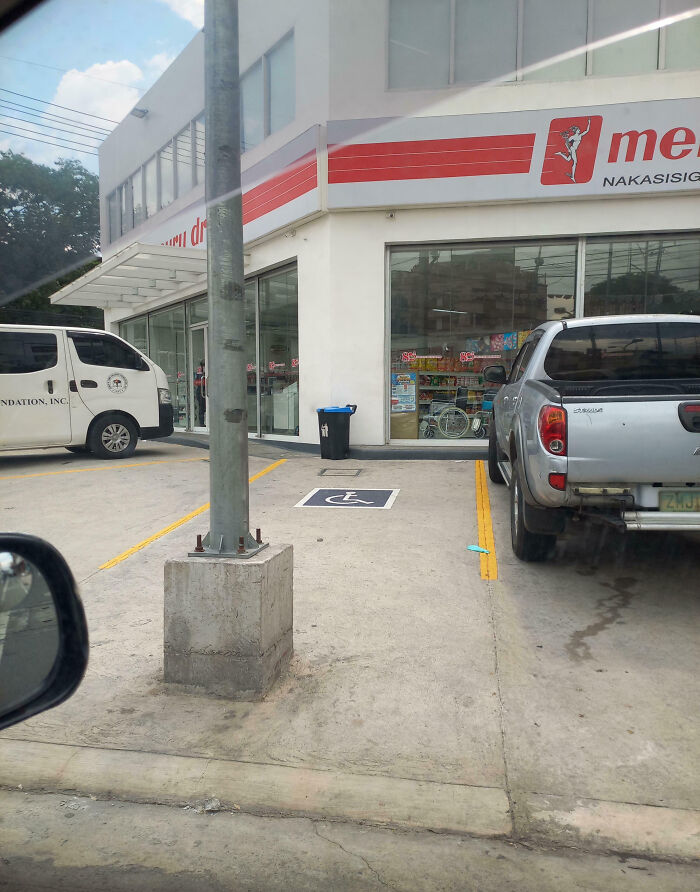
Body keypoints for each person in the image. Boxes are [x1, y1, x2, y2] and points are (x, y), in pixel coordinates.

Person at [555, 118, 591, 182]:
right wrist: (569, 149)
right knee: (575, 162)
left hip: (574, 150)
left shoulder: (580, 135)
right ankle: (572, 176)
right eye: (578, 129)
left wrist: (589, 122)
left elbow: (587, 130)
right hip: (573, 149)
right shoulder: (573, 137)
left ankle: (560, 153)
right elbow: (566, 143)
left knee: (568, 159)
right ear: (576, 131)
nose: (580, 130)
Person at [194, 360, 206, 427]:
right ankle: (202, 424)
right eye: (203, 365)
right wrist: (203, 382)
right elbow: (195, 382)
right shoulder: (199, 372)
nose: (204, 367)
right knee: (201, 408)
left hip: (206, 392)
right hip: (200, 392)